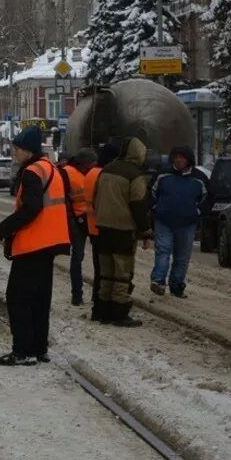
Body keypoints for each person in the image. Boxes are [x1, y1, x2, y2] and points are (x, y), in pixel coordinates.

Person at [0, 126, 71, 366]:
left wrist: (4, 228)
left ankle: (23, 351)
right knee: (39, 299)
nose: (14, 152)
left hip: (33, 244)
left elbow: (31, 208)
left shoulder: (31, 172)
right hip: (50, 243)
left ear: (27, 150)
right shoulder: (51, 169)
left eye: (16, 148)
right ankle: (39, 348)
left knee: (18, 298)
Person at [92, 138, 152, 327]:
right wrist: (146, 231)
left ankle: (101, 310)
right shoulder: (135, 176)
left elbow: (95, 198)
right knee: (122, 273)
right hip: (123, 230)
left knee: (106, 271)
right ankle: (119, 312)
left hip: (102, 227)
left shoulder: (106, 170)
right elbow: (138, 205)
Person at [150, 146, 208, 298]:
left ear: (189, 159)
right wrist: (156, 208)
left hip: (187, 222)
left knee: (182, 257)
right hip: (164, 220)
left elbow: (208, 198)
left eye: (182, 157)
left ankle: (176, 285)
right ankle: (158, 280)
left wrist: (198, 212)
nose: (179, 160)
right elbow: (150, 193)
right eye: (176, 157)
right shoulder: (162, 175)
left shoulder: (199, 178)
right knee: (163, 251)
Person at [85, 143, 120, 317]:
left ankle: (97, 299)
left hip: (92, 227)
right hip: (105, 227)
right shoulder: (105, 175)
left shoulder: (91, 173)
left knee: (99, 268)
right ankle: (102, 302)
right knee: (107, 269)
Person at [60, 148, 97, 306]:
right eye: (91, 164)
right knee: (78, 257)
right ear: (84, 164)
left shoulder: (90, 173)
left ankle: (95, 295)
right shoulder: (66, 173)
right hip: (76, 220)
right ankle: (77, 294)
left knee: (95, 259)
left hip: (92, 219)